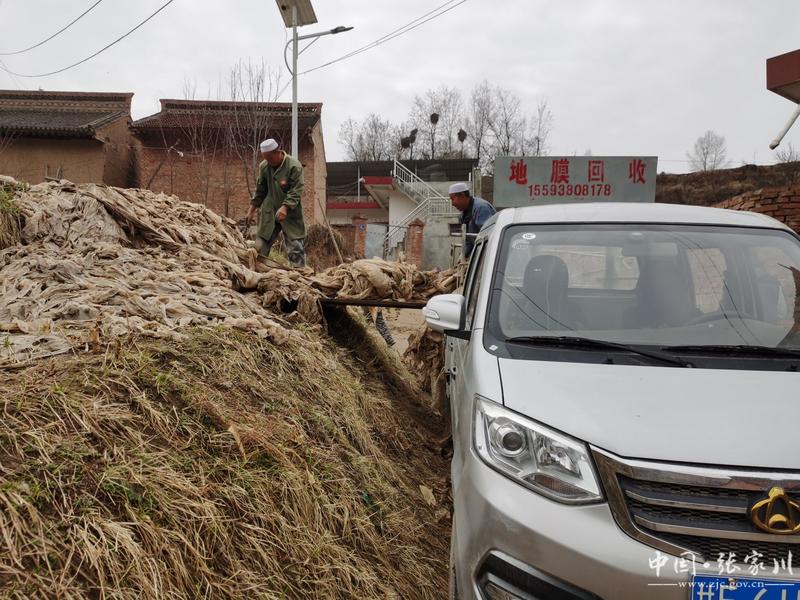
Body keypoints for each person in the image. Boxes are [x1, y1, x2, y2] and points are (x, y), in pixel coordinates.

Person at [246, 139, 307, 267]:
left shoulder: (293, 166)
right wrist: (251, 210)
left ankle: (299, 273)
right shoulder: (264, 166)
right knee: (260, 246)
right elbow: (260, 190)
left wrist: (285, 207)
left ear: (277, 152)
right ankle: (258, 270)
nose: (268, 161)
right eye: (265, 158)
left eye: (269, 158)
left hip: (290, 214)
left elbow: (296, 191)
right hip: (270, 212)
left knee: (295, 249)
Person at [448, 182, 496, 258]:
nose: (452, 204)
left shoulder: (481, 208)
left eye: (452, 199)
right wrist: (463, 255)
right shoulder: (464, 214)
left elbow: (487, 237)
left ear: (462, 195)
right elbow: (468, 240)